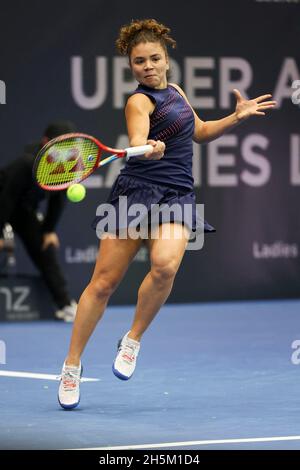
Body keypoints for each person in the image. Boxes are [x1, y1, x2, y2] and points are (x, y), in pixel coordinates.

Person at [58, 19, 276, 409]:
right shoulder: (138, 101)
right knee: (104, 284)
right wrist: (146, 147)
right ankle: (72, 365)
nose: (148, 66)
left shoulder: (175, 92)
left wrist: (236, 117)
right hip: (134, 195)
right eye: (139, 61)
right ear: (131, 67)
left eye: (154, 58)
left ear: (166, 59)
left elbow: (201, 131)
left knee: (164, 267)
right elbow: (139, 136)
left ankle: (132, 339)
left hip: (177, 195)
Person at [0, 120, 78, 322]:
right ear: (46, 142)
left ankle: (64, 305)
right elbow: (6, 199)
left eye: (68, 146)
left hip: (24, 211)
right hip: (3, 202)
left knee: (45, 250)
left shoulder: (65, 166)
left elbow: (58, 200)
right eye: (59, 145)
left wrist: (48, 230)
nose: (63, 151)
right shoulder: (26, 163)